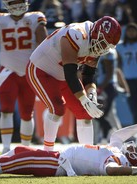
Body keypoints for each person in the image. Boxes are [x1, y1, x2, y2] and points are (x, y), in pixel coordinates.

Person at [0, 116, 137, 178]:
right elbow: (117, 135)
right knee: (13, 156)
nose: (134, 148)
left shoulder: (119, 162)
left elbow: (110, 170)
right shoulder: (118, 151)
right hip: (58, 158)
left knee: (13, 157)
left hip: (57, 164)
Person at [26, 15, 121, 151]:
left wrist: (91, 93)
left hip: (62, 74)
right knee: (57, 108)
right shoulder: (76, 34)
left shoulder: (96, 41)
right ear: (96, 33)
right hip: (41, 70)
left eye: (107, 46)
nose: (103, 48)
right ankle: (47, 153)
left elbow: (88, 75)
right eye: (104, 43)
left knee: (85, 113)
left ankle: (88, 154)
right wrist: (83, 98)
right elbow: (70, 74)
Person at [0, 0, 48, 153]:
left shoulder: (35, 19)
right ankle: (5, 149)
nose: (17, 5)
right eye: (14, 2)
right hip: (7, 72)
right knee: (5, 109)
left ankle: (25, 149)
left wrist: (45, 70)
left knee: (26, 112)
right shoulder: (0, 20)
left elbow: (44, 44)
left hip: (28, 73)